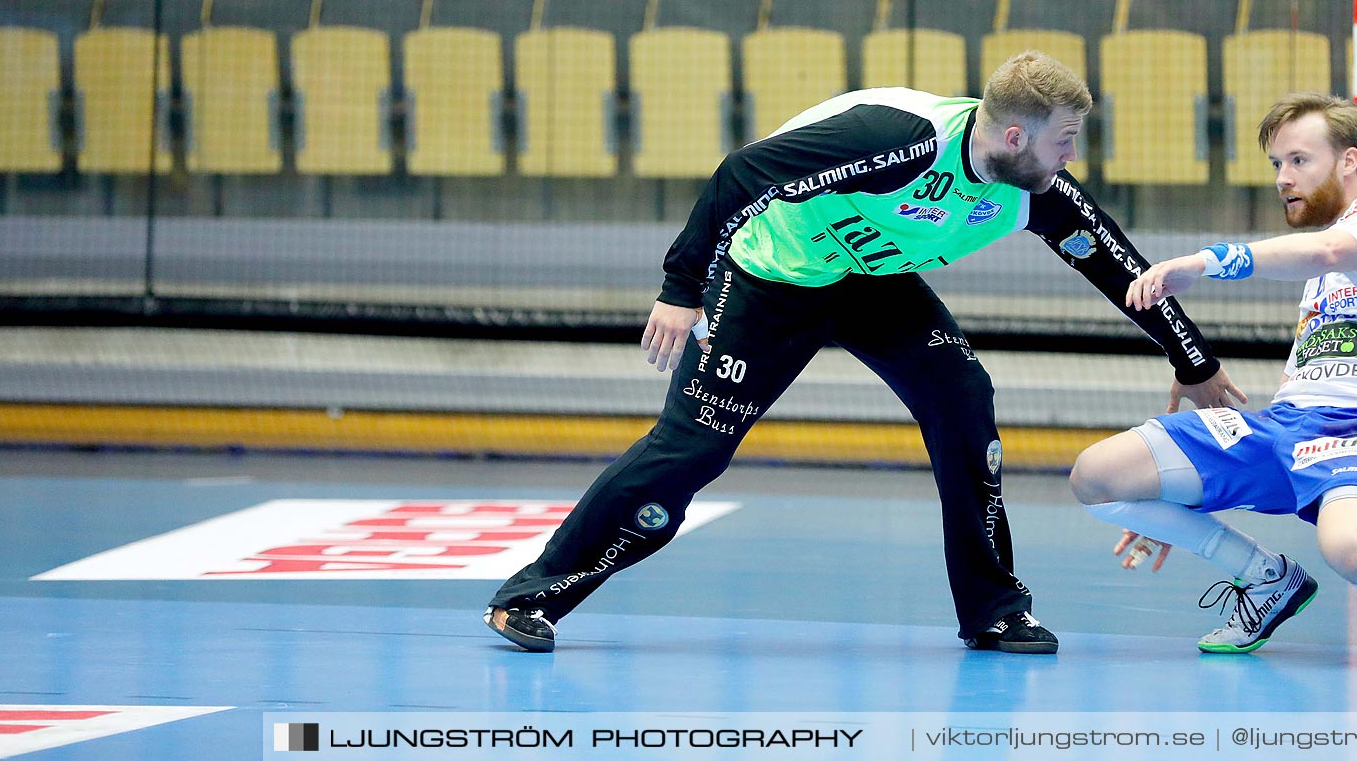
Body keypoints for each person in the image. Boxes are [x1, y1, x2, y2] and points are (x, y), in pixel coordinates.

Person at [486, 52, 1243, 656]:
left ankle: (994, 613)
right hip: (770, 275)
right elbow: (742, 173)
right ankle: (533, 595)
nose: (1071, 155)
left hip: (873, 281)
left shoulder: (1036, 188)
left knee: (962, 400)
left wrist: (1194, 362)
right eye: (1063, 140)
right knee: (691, 452)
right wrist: (682, 287)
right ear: (1015, 136)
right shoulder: (895, 141)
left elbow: (1117, 265)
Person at [1069, 92, 1357, 662]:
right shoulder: (1319, 269)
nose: (1283, 178)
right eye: (1276, 164)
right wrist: (1176, 504)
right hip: (1287, 424)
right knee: (1098, 476)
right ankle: (1265, 577)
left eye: (1299, 160)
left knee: (1351, 553)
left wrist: (1203, 262)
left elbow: (1325, 252)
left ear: (1348, 160)